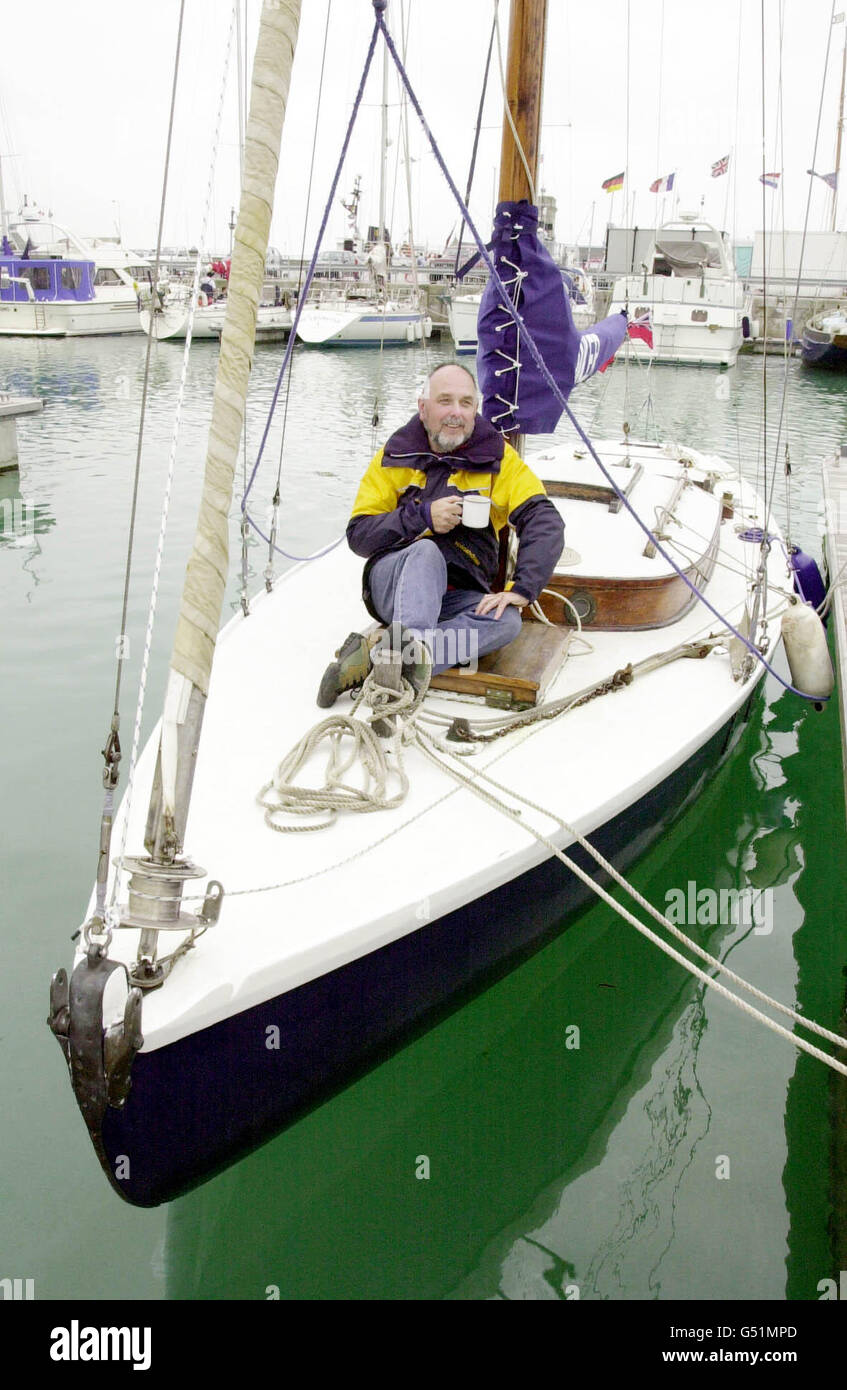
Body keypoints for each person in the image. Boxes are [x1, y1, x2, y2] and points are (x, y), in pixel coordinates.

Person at [317, 362, 565, 707]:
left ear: (475, 410)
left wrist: (522, 589)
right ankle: (407, 664)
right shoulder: (395, 456)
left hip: (456, 595)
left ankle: (383, 660)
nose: (456, 413)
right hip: (395, 587)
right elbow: (360, 535)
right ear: (424, 407)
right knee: (427, 553)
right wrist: (422, 517)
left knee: (506, 622)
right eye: (445, 401)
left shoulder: (497, 460)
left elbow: (544, 518)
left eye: (465, 403)